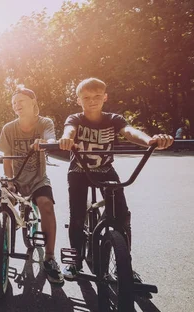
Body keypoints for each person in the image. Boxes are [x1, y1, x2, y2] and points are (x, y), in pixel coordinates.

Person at [58, 78, 174, 279]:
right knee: (77, 216)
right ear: (79, 100)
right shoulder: (75, 118)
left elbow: (129, 131)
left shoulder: (114, 119)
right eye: (86, 97)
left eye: (96, 97)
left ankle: (125, 266)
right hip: (79, 170)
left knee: (121, 214)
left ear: (105, 97)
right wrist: (66, 138)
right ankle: (75, 261)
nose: (92, 101)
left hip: (104, 169)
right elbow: (69, 130)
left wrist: (150, 141)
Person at [0, 85, 63, 283]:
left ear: (33, 103)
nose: (17, 105)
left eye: (21, 101)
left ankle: (50, 257)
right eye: (14, 103)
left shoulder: (44, 123)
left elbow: (51, 138)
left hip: (38, 179)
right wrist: (9, 181)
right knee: (3, 207)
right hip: (15, 179)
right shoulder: (8, 128)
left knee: (46, 205)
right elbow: (6, 159)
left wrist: (45, 142)